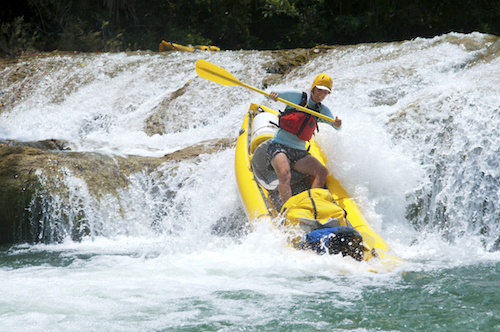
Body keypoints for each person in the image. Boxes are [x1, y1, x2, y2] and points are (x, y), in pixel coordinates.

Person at [266, 74, 342, 205]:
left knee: (322, 172)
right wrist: (272, 96)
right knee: (284, 173)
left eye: (325, 92)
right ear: (313, 88)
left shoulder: (321, 110)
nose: (322, 95)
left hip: (299, 152)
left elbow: (336, 127)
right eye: (319, 90)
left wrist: (337, 124)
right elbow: (267, 93)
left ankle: (313, 204)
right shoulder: (296, 96)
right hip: (279, 146)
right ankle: (288, 211)